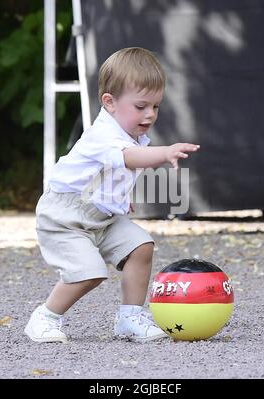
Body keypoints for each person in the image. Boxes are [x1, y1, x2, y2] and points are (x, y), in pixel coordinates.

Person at [24, 47, 200, 343]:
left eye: (155, 107)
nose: (150, 114)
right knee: (88, 271)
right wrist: (165, 152)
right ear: (110, 102)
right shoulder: (103, 135)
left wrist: (119, 198)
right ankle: (44, 317)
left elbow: (113, 174)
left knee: (141, 246)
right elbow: (129, 158)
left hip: (101, 216)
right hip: (64, 217)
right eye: (141, 106)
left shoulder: (131, 134)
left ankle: (129, 317)